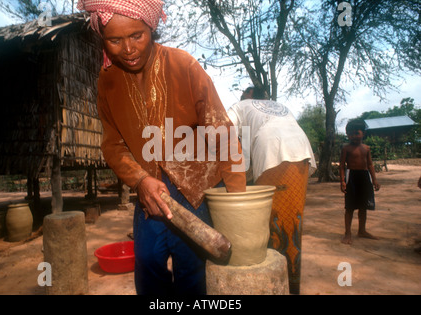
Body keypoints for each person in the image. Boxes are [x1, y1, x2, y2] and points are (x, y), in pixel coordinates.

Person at [77, 0, 246, 295]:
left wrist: (239, 204)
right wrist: (140, 180)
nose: (128, 49)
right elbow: (113, 144)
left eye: (136, 36)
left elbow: (223, 135)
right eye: (114, 40)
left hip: (197, 188)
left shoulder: (183, 64)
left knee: (193, 269)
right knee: (148, 262)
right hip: (150, 189)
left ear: (151, 28)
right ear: (102, 39)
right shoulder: (107, 82)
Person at [227, 87, 316, 295]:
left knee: (278, 227)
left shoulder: (241, 106)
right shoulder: (279, 107)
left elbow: (222, 131)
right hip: (301, 151)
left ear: (247, 97)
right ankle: (289, 287)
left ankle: (282, 288)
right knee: (293, 222)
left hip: (274, 152)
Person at [339, 119, 380, 245]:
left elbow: (370, 165)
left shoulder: (366, 148)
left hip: (364, 177)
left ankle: (362, 231)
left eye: (356, 133)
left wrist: (374, 180)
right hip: (352, 177)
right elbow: (341, 166)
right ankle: (348, 233)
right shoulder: (346, 148)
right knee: (350, 207)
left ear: (363, 134)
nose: (353, 136)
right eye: (350, 134)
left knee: (363, 206)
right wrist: (342, 181)